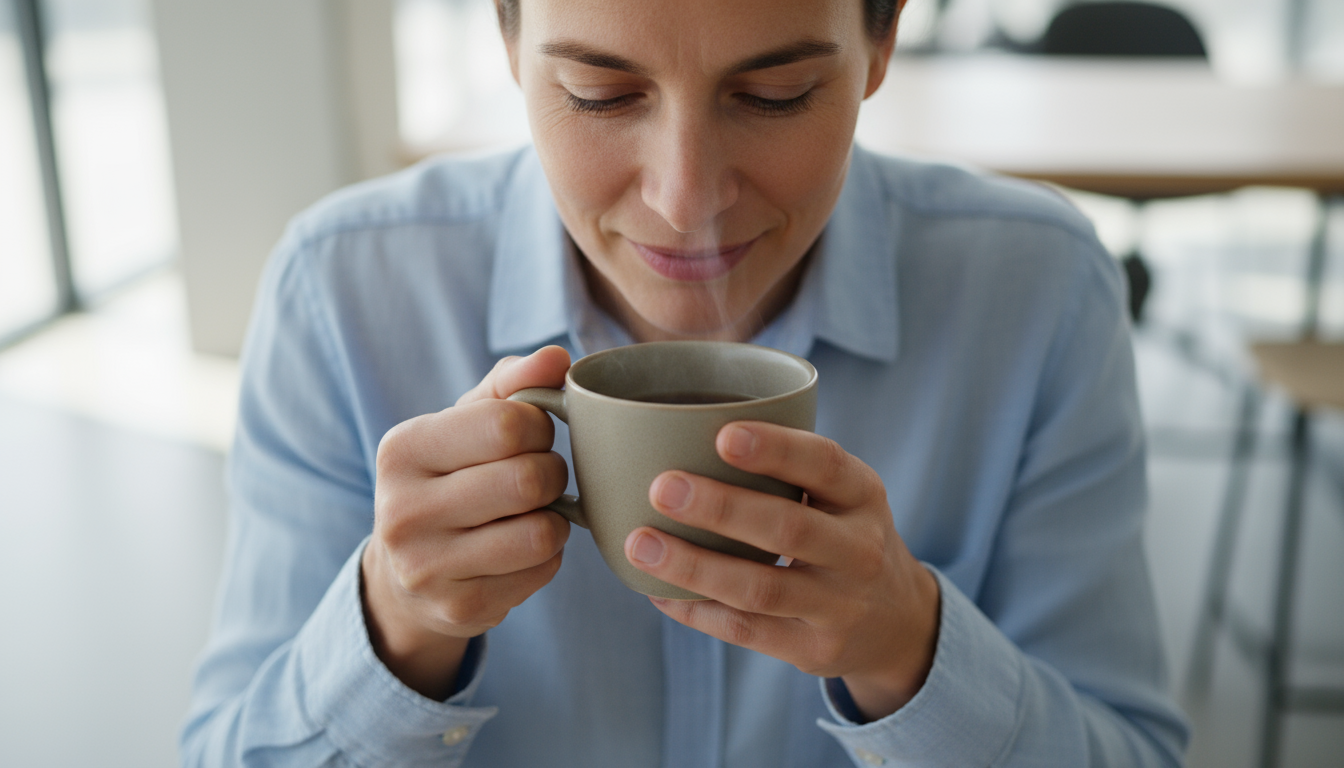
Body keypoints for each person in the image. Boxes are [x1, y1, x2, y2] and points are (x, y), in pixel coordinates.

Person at [182, 0, 1190, 765]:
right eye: (600, 93)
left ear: (880, 46)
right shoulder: (344, 290)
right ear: (506, 38)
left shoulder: (1039, 291)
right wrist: (393, 628)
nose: (685, 198)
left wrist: (911, 654)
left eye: (776, 95)